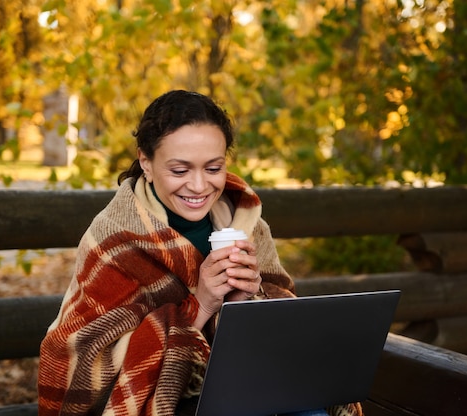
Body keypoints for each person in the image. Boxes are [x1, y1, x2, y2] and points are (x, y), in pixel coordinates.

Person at [37, 90, 363, 416]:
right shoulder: (115, 238)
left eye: (213, 168)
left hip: (248, 381)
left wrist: (246, 302)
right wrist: (203, 303)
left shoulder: (244, 220)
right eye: (180, 171)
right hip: (169, 400)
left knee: (311, 409)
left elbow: (282, 323)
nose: (198, 186)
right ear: (146, 163)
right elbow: (80, 359)